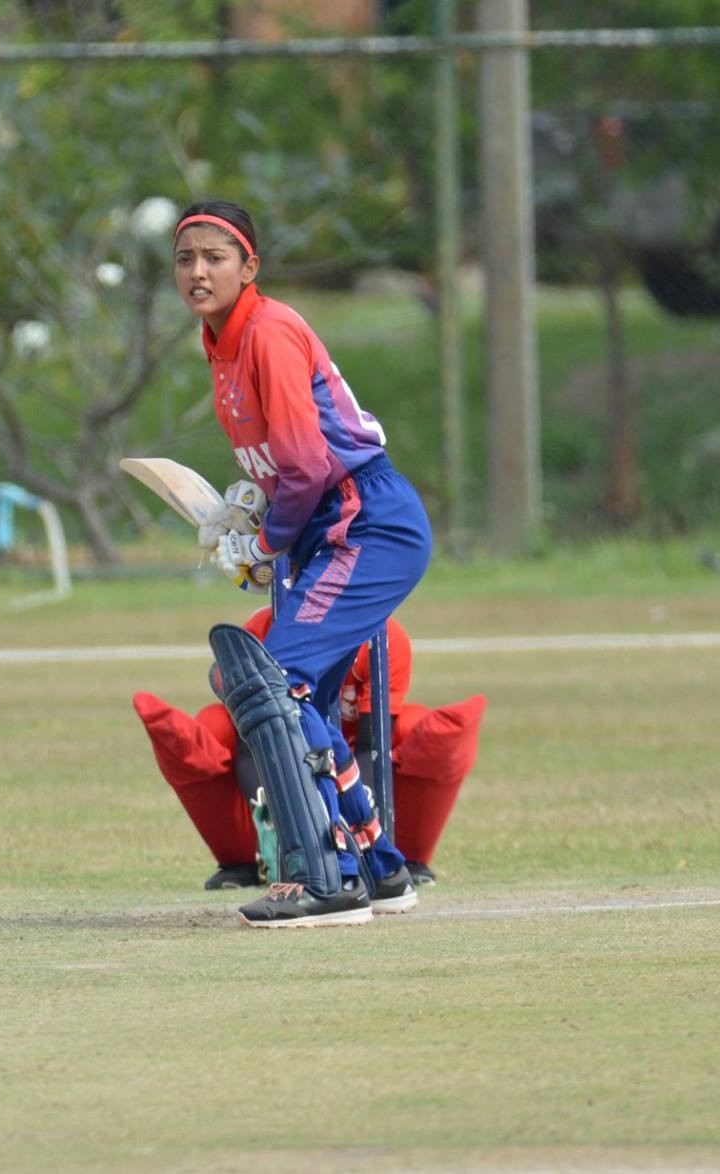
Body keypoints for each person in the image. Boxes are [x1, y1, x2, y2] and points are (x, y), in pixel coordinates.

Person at [175, 199, 436, 926]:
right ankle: (379, 871)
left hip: (363, 518)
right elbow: (285, 470)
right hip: (323, 520)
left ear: (248, 267)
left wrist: (261, 544)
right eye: (186, 258)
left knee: (273, 684)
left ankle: (328, 879)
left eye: (214, 257)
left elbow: (309, 463)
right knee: (296, 699)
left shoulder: (269, 331)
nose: (198, 271)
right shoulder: (219, 338)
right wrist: (261, 519)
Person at [134, 608, 486, 891]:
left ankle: (403, 857)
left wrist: (356, 812)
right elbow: (248, 745)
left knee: (414, 723)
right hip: (280, 747)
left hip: (348, 752)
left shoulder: (387, 637)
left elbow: (370, 745)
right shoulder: (261, 630)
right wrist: (273, 808)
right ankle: (241, 862)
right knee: (214, 723)